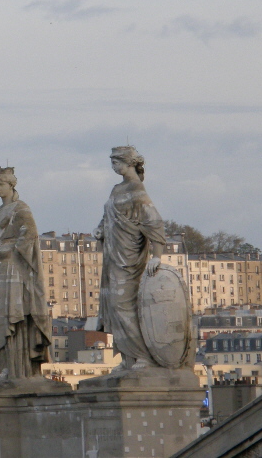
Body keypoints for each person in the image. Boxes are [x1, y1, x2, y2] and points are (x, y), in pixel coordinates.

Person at [0, 167, 52, 380]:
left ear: (11, 185)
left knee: (11, 315)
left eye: (2, 184)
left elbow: (29, 235)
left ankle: (12, 366)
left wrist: (9, 249)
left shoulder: (20, 209)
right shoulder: (0, 211)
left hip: (12, 267)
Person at [94, 146, 165, 371]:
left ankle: (142, 356)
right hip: (113, 254)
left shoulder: (137, 190)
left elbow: (154, 222)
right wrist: (100, 230)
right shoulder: (117, 189)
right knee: (115, 308)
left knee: (125, 306)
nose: (113, 166)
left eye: (115, 162)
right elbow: (108, 217)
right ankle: (128, 358)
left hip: (129, 257)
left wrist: (157, 256)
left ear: (128, 162)